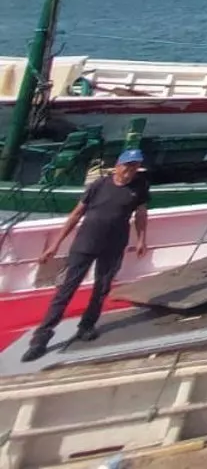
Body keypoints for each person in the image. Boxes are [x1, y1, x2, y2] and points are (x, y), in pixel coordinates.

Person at [24, 149, 149, 362]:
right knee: (66, 289)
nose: (131, 171)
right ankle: (41, 337)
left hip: (113, 245)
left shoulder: (139, 187)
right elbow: (77, 213)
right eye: (128, 165)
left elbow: (141, 214)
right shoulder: (99, 185)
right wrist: (55, 244)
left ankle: (87, 325)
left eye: (135, 166)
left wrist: (141, 239)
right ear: (118, 165)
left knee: (102, 287)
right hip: (85, 243)